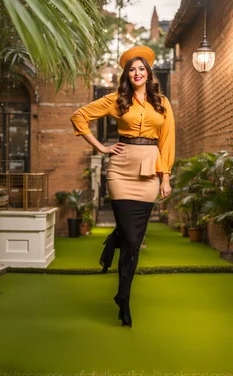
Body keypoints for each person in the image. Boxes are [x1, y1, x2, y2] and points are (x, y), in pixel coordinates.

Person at [70, 46, 175, 327]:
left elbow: (167, 141)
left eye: (141, 69)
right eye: (132, 69)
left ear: (148, 73)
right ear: (126, 75)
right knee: (130, 235)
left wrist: (165, 177)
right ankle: (124, 299)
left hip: (150, 173)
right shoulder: (117, 100)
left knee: (133, 239)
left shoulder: (162, 103)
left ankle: (122, 295)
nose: (137, 73)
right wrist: (101, 147)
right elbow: (79, 116)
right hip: (120, 171)